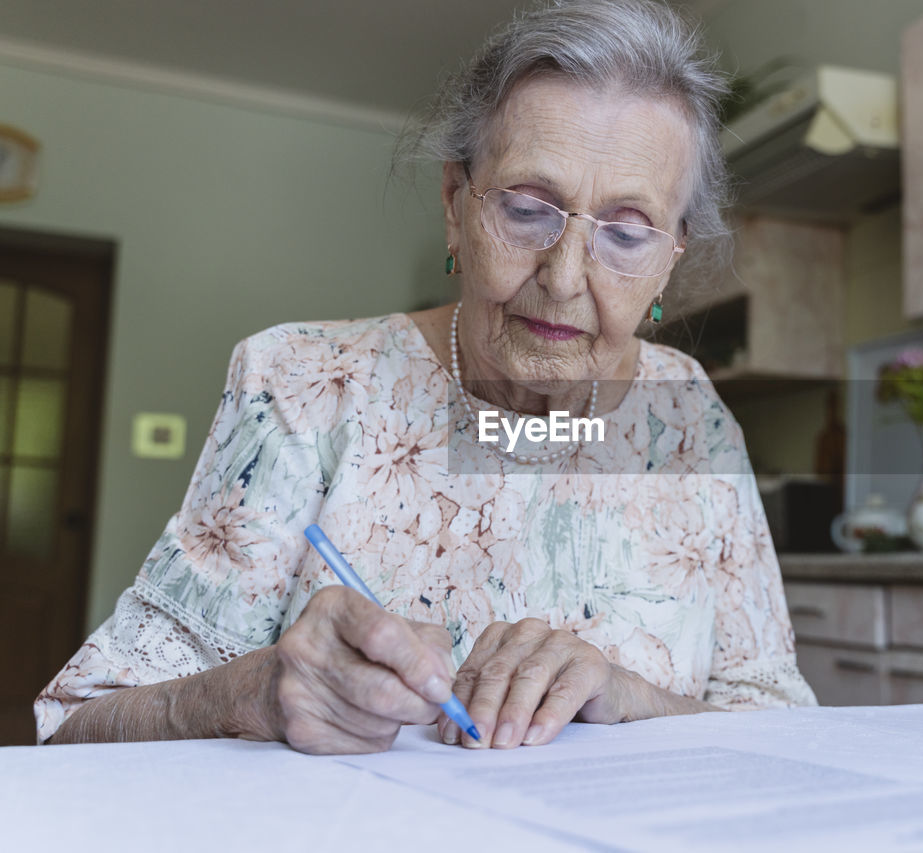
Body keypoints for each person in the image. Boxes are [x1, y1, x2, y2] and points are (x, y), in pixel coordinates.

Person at [35, 0, 815, 753]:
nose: (566, 276)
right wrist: (251, 692)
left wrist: (634, 698)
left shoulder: (688, 415)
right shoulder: (305, 383)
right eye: (527, 208)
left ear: (671, 256)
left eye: (626, 230)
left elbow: (782, 725)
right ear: (455, 205)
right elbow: (71, 722)